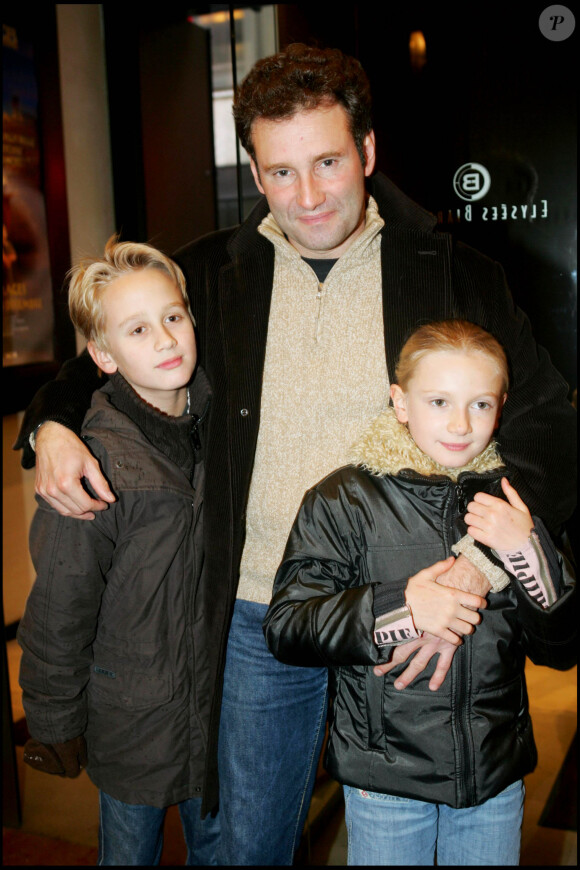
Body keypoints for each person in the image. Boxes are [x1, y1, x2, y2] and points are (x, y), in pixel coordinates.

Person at [14, 44, 576, 865]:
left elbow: (550, 438)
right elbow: (91, 363)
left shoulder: (455, 272)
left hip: (415, 611)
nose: (307, 197)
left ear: (368, 151)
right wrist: (52, 429)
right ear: (254, 169)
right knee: (253, 848)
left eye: (326, 163)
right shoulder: (209, 276)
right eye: (279, 172)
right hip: (256, 617)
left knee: (403, 843)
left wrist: (476, 567)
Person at [264, 320, 576, 866]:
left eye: (480, 405)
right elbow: (288, 626)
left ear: (501, 407)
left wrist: (527, 550)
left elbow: (560, 647)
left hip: (492, 775)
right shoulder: (345, 499)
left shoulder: (512, 502)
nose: (460, 424)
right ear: (400, 401)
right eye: (438, 401)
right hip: (385, 776)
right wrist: (402, 610)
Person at [17, 238, 220, 866]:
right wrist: (53, 724)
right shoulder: (95, 461)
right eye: (137, 329)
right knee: (129, 854)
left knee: (221, 847)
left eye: (173, 317)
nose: (164, 339)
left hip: (213, 711)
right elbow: (59, 603)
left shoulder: (221, 423)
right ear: (102, 355)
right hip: (131, 718)